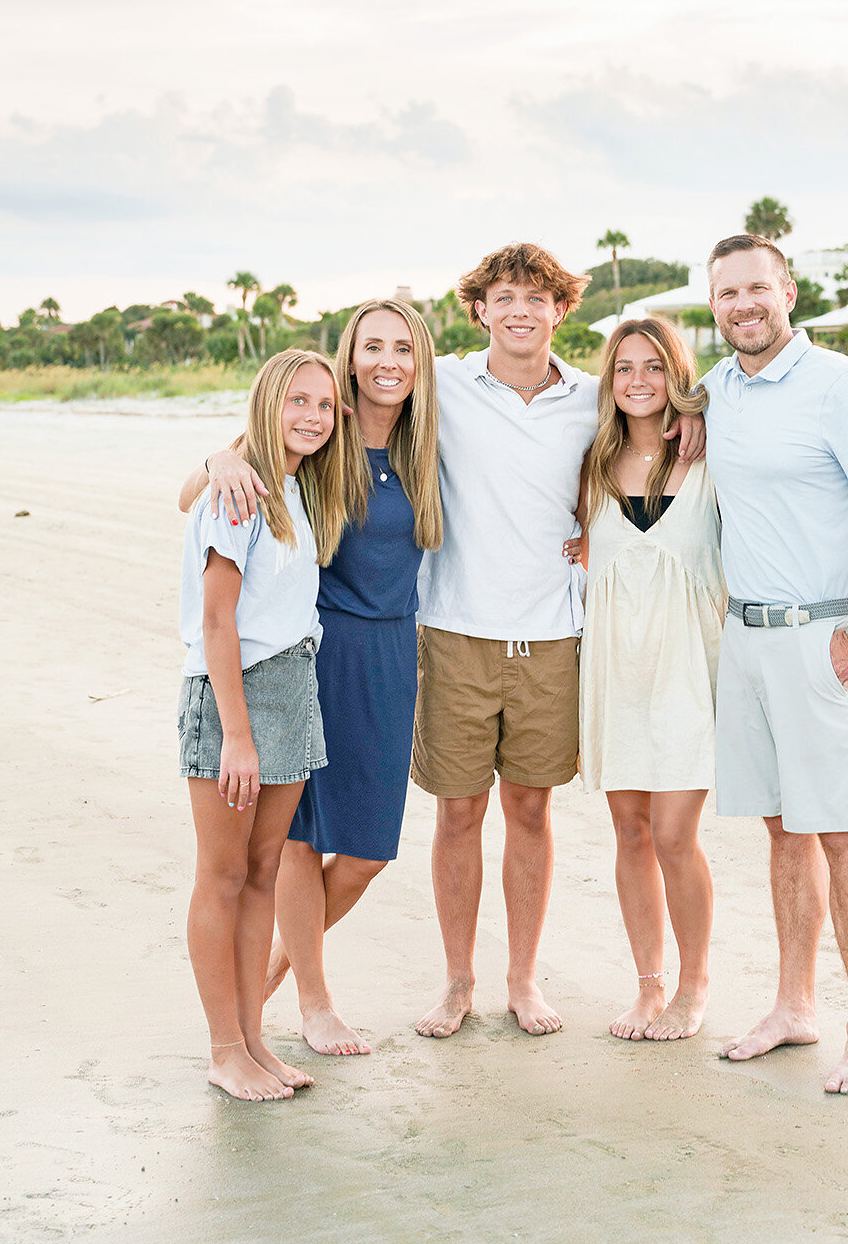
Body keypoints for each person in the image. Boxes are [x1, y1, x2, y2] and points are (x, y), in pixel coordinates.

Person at [411, 243, 706, 1039]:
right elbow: (336, 413)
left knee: (532, 814)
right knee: (458, 815)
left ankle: (523, 981)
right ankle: (457, 982)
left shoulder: (592, 397)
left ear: (560, 311)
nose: (519, 311)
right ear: (479, 309)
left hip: (552, 636)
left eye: (536, 299)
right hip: (455, 629)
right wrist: (231, 453)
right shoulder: (440, 385)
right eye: (504, 297)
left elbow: (645, 451)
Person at [180, 301, 442, 1058]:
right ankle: (309, 1002)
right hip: (313, 651)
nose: (388, 361)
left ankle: (256, 982)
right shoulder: (319, 434)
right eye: (372, 347)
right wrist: (216, 460)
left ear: (420, 361)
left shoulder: (427, 444)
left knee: (364, 851)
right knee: (294, 842)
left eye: (403, 348)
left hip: (393, 655)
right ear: (349, 358)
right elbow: (200, 500)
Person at [703, 234, 848, 1095]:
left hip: (827, 638)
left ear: (787, 291)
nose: (744, 304)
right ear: (713, 303)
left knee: (841, 830)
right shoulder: (716, 390)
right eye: (727, 293)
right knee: (782, 829)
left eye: (758, 287)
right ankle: (794, 1006)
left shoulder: (840, 385)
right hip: (747, 639)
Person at [177, 349, 346, 1101]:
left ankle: (254, 1042)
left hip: (290, 686)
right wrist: (236, 735)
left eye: (322, 404)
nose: (311, 416)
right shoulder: (236, 494)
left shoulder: (294, 487)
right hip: (233, 696)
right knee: (221, 875)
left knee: (262, 876)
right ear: (267, 404)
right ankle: (223, 1050)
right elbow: (217, 621)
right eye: (296, 401)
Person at [571, 318, 724, 1043]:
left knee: (672, 834)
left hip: (688, 670)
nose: (638, 380)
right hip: (615, 670)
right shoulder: (592, 466)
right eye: (624, 368)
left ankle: (695, 985)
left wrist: (698, 412)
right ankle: (649, 986)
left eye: (654, 368)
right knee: (630, 832)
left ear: (677, 376)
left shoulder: (710, 454)